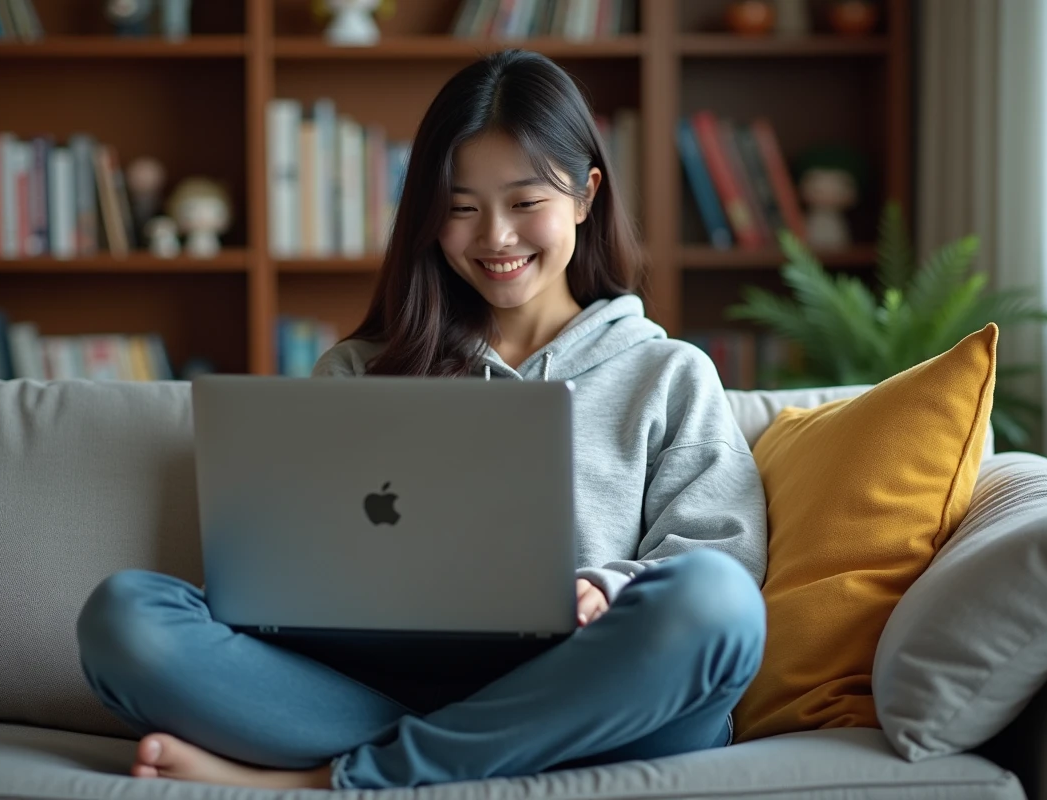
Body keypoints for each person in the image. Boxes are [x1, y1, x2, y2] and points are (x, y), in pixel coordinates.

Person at [75, 48, 768, 792]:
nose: (495, 237)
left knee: (717, 605)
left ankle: (329, 779)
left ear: (585, 195)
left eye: (525, 202)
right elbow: (282, 569)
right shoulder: (358, 371)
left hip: (584, 683)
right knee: (125, 617)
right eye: (461, 208)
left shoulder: (666, 373)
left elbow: (722, 557)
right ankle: (460, 755)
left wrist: (608, 587)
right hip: (383, 687)